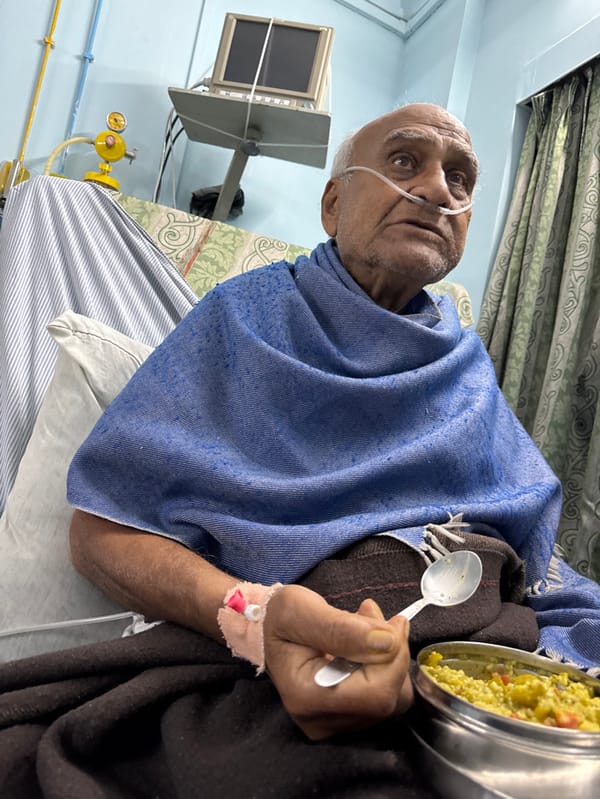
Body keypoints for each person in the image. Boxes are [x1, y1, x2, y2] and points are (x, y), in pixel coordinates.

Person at [66, 103, 600, 746]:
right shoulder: (243, 320)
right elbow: (102, 530)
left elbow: (533, 550)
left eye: (459, 178)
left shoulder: (466, 367)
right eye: (404, 160)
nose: (437, 189)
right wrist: (257, 621)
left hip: (479, 666)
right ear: (333, 204)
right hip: (284, 660)